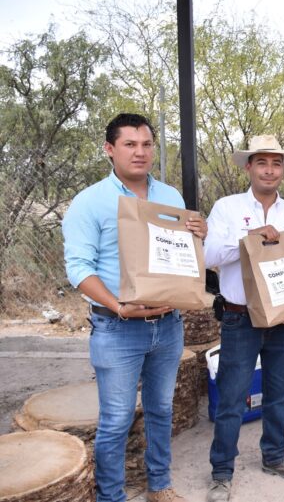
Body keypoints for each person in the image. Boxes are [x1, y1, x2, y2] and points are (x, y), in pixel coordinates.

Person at [62, 113, 207, 502]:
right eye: (130, 144)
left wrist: (199, 235)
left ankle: (159, 485)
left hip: (168, 324)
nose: (139, 152)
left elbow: (184, 256)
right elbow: (78, 269)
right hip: (116, 327)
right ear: (110, 150)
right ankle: (113, 497)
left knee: (161, 411)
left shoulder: (170, 198)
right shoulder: (89, 202)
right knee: (116, 420)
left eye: (146, 144)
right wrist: (118, 306)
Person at [204, 136, 284, 502]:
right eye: (262, 162)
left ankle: (275, 455)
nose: (269, 170)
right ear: (248, 167)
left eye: (276, 163)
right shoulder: (227, 208)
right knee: (233, 397)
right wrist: (250, 237)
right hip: (239, 317)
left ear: (283, 169)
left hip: (283, 318)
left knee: (280, 393)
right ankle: (222, 470)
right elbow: (209, 256)